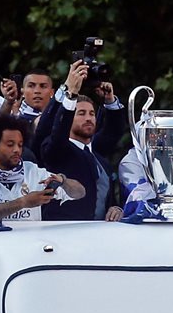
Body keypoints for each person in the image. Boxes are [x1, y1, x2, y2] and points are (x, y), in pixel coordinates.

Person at [0, 114, 85, 236]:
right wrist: (23, 202)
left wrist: (63, 181)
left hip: (29, 246)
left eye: (20, 145)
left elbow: (80, 193)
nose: (17, 150)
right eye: (10, 144)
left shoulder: (33, 171)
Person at [41, 61, 127, 221]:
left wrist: (116, 208)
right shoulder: (57, 150)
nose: (88, 118)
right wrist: (71, 94)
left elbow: (114, 132)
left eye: (91, 113)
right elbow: (58, 133)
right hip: (63, 235)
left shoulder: (98, 156)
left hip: (99, 235)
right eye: (80, 113)